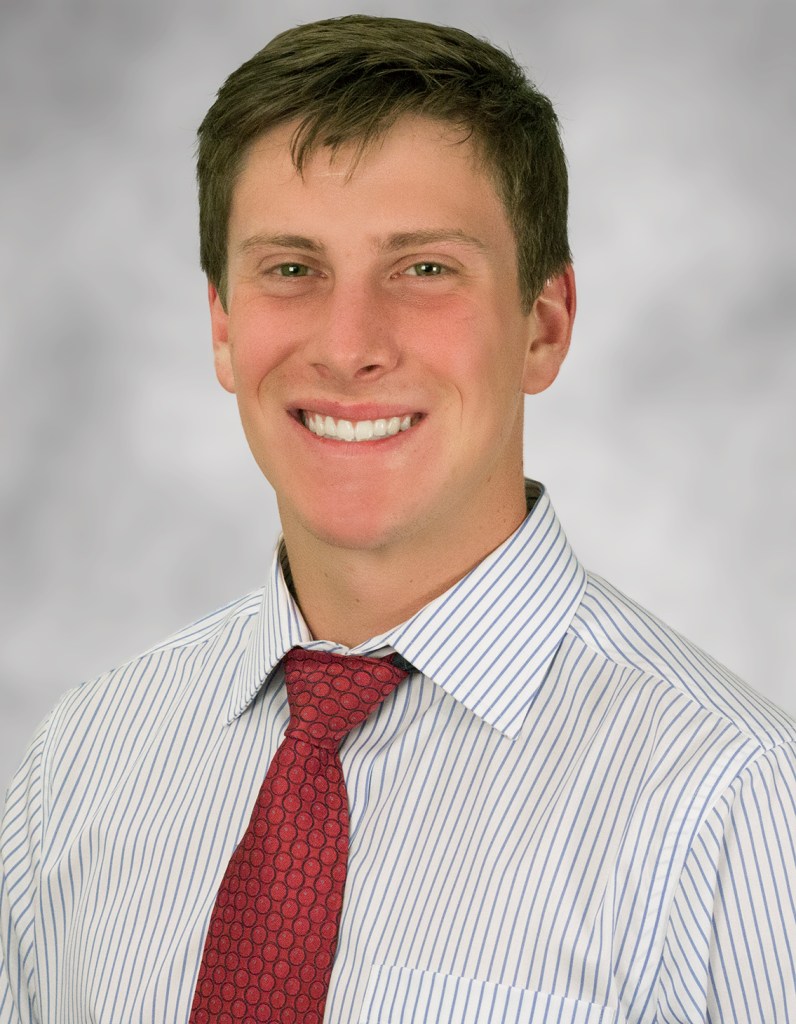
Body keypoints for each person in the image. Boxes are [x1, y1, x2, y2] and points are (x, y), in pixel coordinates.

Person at [1, 13, 794, 1024]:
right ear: (222, 327)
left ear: (544, 325)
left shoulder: (738, 802)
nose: (348, 346)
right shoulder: (82, 762)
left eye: (423, 269)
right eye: (292, 269)